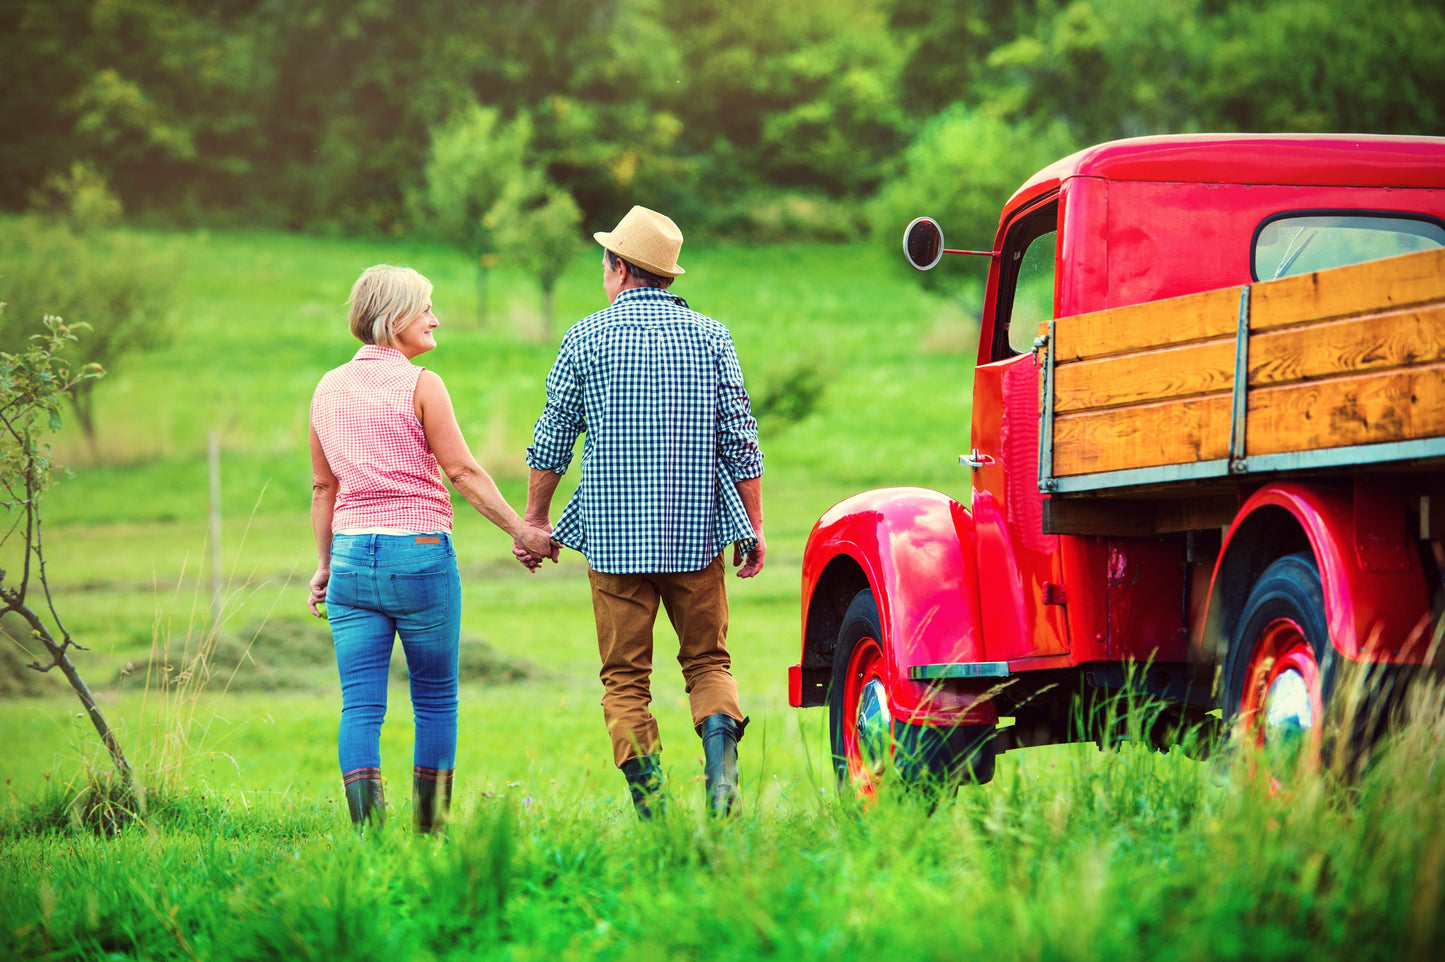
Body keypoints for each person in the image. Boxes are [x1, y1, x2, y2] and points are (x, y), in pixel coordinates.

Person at [518, 206, 765, 819]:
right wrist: (754, 528)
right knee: (708, 661)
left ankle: (656, 815)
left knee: (624, 680)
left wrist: (536, 521)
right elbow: (741, 440)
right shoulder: (713, 337)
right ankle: (722, 785)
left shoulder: (585, 338)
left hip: (612, 542)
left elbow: (552, 441)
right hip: (696, 536)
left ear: (620, 269)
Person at [308, 264, 554, 833]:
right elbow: (463, 472)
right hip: (418, 555)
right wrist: (522, 531)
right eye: (425, 309)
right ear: (394, 318)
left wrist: (324, 566)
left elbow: (325, 487)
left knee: (361, 706)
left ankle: (369, 835)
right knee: (437, 699)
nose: (435, 319)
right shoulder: (422, 385)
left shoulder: (326, 387)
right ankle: (430, 830)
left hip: (349, 558)